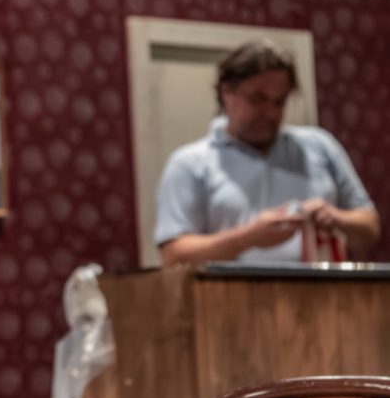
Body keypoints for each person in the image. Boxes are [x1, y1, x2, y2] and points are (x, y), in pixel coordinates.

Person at [154, 39, 380, 265]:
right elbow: (173, 256)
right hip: (230, 289)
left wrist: (337, 218)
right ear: (226, 92)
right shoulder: (189, 163)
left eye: (279, 102)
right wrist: (248, 238)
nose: (271, 113)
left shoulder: (320, 145)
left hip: (323, 287)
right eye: (258, 99)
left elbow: (370, 227)